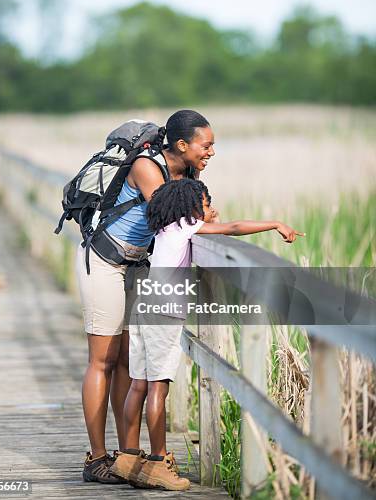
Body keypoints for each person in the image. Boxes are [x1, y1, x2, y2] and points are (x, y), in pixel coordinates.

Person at [109, 178, 304, 490]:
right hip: (163, 313)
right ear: (190, 209)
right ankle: (158, 463)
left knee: (139, 385)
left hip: (143, 307)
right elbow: (234, 227)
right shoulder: (186, 225)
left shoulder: (165, 226)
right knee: (158, 389)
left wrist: (207, 216)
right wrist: (275, 224)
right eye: (206, 204)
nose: (211, 210)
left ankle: (129, 459)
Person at [78, 110, 215, 483]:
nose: (211, 152)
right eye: (206, 145)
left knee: (129, 360)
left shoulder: (187, 172)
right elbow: (170, 214)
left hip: (140, 264)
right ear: (182, 144)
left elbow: (190, 216)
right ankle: (97, 458)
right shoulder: (146, 165)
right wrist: (205, 217)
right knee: (103, 358)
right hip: (105, 260)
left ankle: (129, 456)